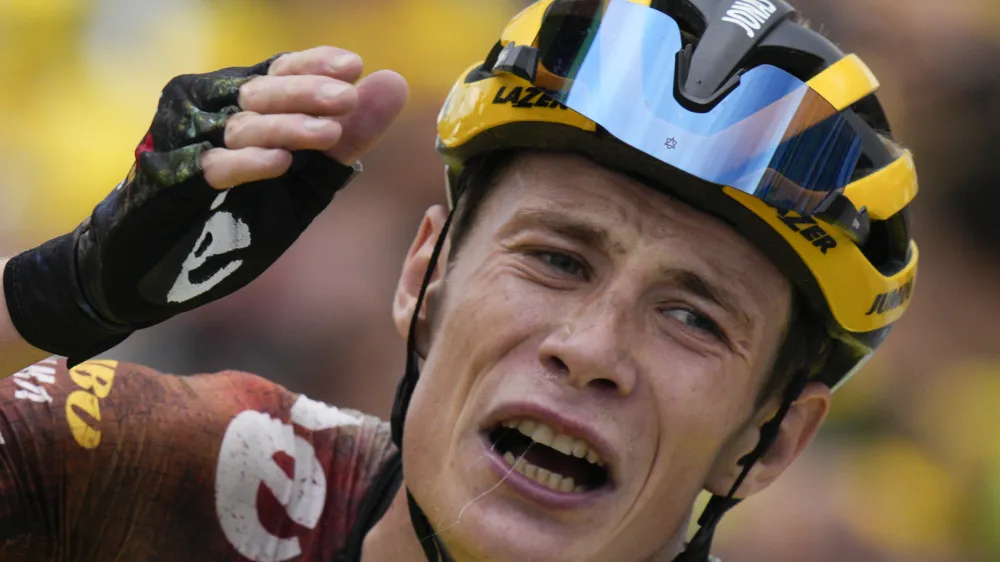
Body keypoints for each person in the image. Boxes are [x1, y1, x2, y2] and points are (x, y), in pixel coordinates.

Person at [0, 0, 919, 560]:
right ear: (422, 278)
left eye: (691, 317)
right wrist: (55, 297)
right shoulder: (169, 474)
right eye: (558, 260)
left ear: (770, 443)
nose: (591, 349)